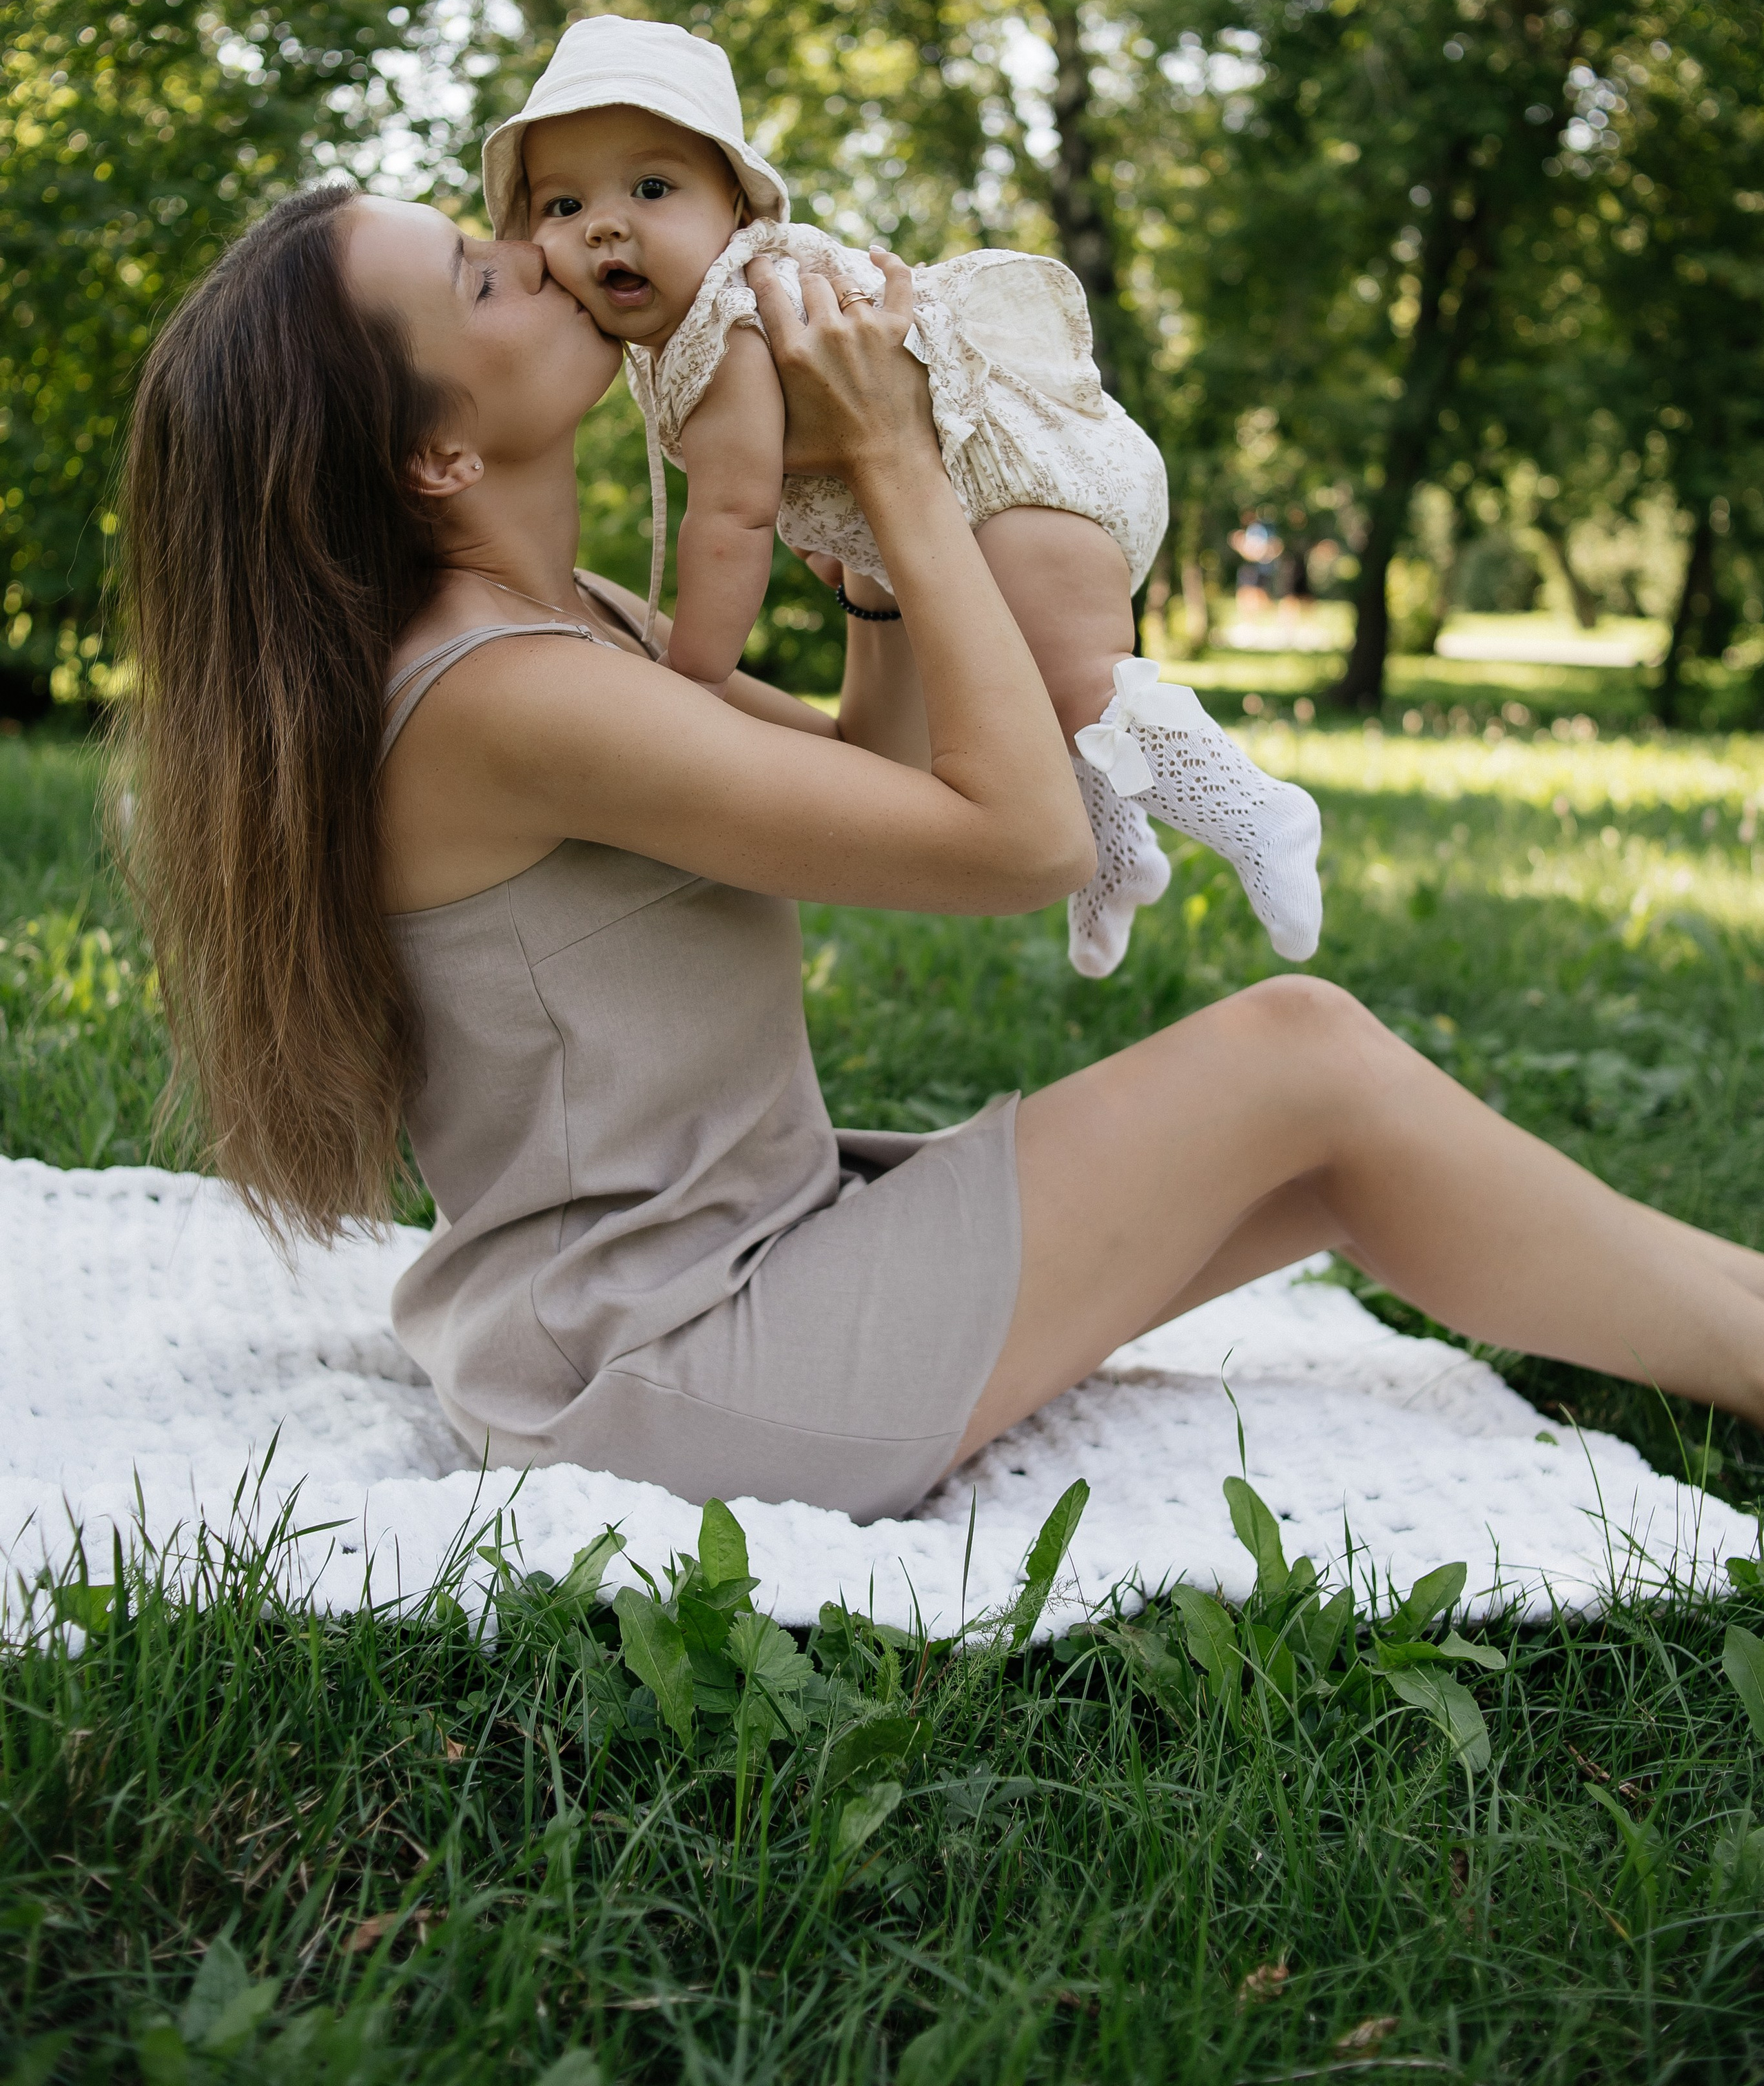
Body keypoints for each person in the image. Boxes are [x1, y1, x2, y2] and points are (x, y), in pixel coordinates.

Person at [119, 182, 1764, 1526]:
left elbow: (878, 776)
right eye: (483, 280)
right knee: (1296, 1056)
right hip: (664, 1377)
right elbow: (1020, 839)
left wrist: (856, 526)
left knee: (1324, 1149)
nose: (551, 254)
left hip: (721, 1278)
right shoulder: (505, 696)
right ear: (436, 455)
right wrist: (907, 459)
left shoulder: (568, 629)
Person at [482, 15, 1322, 976]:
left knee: (1078, 678)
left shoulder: (728, 332)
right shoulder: (690, 341)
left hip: (1028, 483)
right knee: (1051, 706)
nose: (604, 223)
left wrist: (697, 680)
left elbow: (734, 520)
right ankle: (1113, 858)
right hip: (990, 498)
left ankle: (1257, 812)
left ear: (738, 210)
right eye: (560, 204)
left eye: (653, 187)